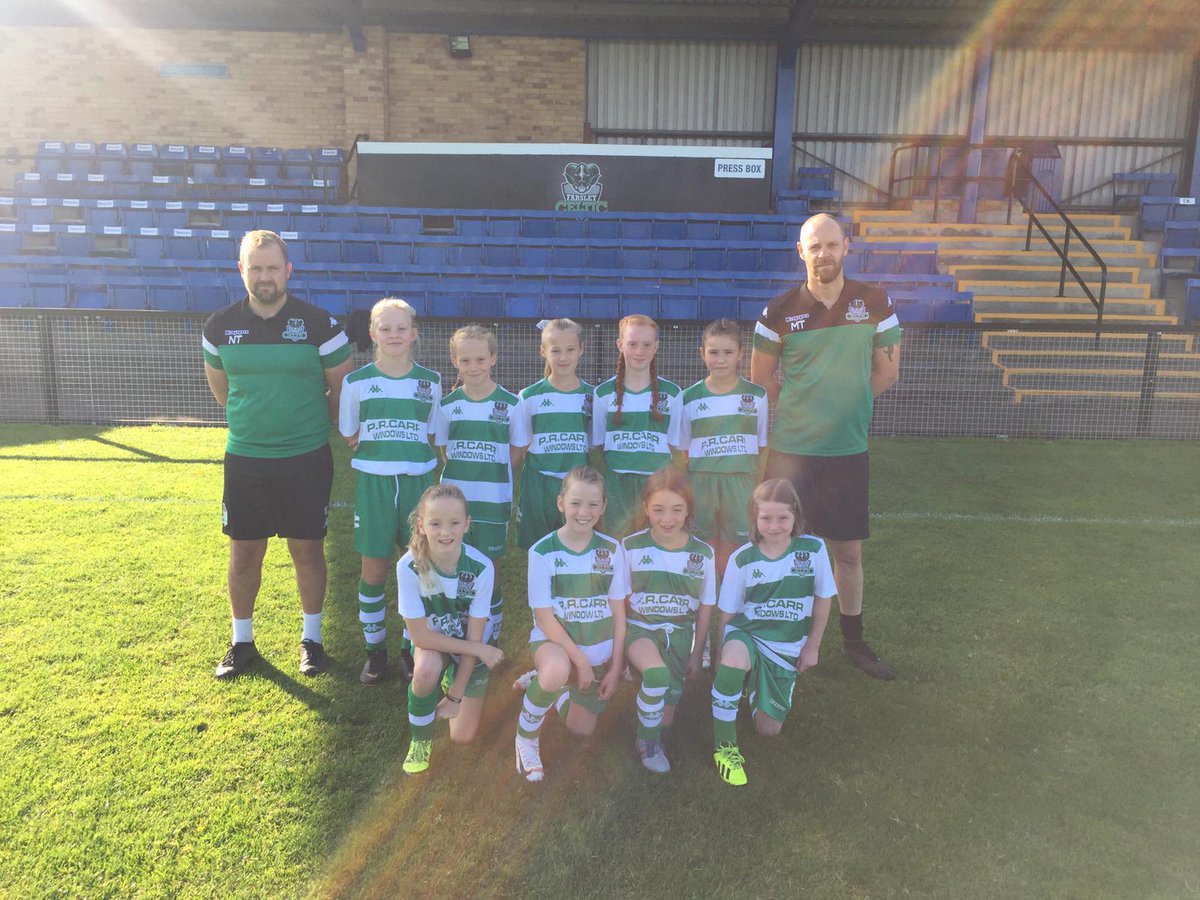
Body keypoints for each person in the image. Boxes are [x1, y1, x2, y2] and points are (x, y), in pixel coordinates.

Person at [750, 213, 901, 680]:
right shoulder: (778, 311)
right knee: (779, 547)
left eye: (832, 245)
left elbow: (887, 372)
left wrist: (843, 408)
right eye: (815, 247)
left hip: (847, 450)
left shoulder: (875, 302)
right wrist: (803, 408)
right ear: (802, 251)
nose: (824, 254)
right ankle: (773, 635)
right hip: (791, 452)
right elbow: (760, 379)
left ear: (846, 246)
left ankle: (853, 642)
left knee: (848, 552)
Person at [202, 230, 353, 679]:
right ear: (241, 270)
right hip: (245, 458)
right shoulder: (218, 327)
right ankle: (242, 642)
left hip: (305, 458)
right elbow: (223, 391)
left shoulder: (319, 324)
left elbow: (340, 389)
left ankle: (312, 640)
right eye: (256, 267)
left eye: (272, 267)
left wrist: (304, 427)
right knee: (244, 552)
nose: (264, 276)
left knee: (307, 549)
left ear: (288, 271)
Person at [339, 298, 441, 686]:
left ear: (414, 333)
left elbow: (429, 431)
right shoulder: (357, 382)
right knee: (375, 569)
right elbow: (350, 432)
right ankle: (375, 652)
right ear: (372, 334)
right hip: (375, 484)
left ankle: (409, 649)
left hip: (417, 482)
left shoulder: (429, 381)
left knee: (418, 568)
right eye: (386, 328)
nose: (394, 335)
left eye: (402, 328)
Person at [710, 479, 834, 787]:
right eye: (766, 518)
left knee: (768, 731)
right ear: (754, 518)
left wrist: (813, 646)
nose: (775, 526)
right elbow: (727, 612)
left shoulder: (814, 550)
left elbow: (823, 599)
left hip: (787, 646)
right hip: (748, 634)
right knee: (734, 660)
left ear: (796, 516)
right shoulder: (743, 558)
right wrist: (720, 655)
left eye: (783, 518)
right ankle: (724, 747)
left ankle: (755, 689)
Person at [513, 466, 629, 783]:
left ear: (603, 506)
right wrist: (579, 661)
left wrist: (617, 667)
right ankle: (526, 737)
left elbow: (620, 614)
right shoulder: (542, 552)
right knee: (555, 669)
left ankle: (556, 690)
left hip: (597, 653)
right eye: (576, 503)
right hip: (556, 643)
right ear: (561, 503)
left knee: (582, 728)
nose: (584, 512)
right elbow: (545, 619)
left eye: (593, 504)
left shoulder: (612, 549)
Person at [434, 325, 529, 654]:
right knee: (453, 563)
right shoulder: (447, 405)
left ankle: (491, 632)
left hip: (493, 501)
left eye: (480, 359)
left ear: (493, 358)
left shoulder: (511, 404)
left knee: (489, 567)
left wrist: (494, 472)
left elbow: (517, 450)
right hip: (454, 504)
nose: (473, 367)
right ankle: (456, 630)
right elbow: (445, 450)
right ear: (454, 362)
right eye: (465, 360)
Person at [397, 484, 504, 775]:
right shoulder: (409, 566)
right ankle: (420, 741)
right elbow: (420, 637)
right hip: (435, 642)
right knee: (426, 670)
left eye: (454, 523)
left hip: (469, 644)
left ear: (467, 524)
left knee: (462, 736)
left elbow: (474, 635)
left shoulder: (481, 568)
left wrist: (456, 696)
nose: (446, 532)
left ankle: (454, 683)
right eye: (435, 524)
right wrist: (480, 649)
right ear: (421, 525)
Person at [622, 468, 716, 773]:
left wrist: (697, 650)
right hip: (641, 629)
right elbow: (619, 603)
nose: (667, 519)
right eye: (658, 509)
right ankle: (646, 743)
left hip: (679, 634)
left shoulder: (703, 554)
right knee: (657, 675)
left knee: (666, 718)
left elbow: (704, 608)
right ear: (646, 509)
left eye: (677, 510)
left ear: (688, 510)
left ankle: (646, 700)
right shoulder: (630, 547)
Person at [680, 318, 768, 576]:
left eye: (728, 352)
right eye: (714, 352)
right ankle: (704, 582)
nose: (720, 359)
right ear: (702, 354)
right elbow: (685, 446)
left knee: (737, 538)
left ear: (740, 354)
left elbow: (761, 443)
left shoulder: (756, 395)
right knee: (701, 536)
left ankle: (733, 581)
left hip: (741, 478)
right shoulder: (688, 398)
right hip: (701, 478)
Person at [592, 314, 682, 538]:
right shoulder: (602, 394)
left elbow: (675, 445)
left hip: (656, 483)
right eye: (632, 344)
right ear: (620, 345)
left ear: (656, 347)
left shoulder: (672, 394)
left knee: (654, 542)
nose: (639, 351)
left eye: (646, 345)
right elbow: (598, 443)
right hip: (617, 482)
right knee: (617, 542)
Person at [516, 318, 593, 550]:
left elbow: (592, 439)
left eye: (570, 349)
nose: (563, 357)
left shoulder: (592, 396)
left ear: (581, 349)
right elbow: (522, 441)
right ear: (543, 351)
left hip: (577, 483)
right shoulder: (529, 396)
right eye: (555, 350)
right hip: (539, 481)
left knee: (576, 544)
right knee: (537, 547)